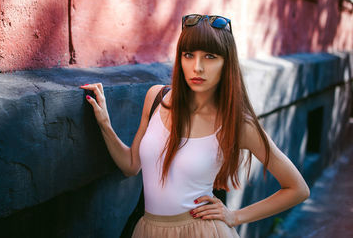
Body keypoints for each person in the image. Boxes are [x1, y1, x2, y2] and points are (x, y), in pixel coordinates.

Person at [79, 14, 310, 237]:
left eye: (210, 56)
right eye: (188, 54)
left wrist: (235, 217)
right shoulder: (157, 98)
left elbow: (297, 188)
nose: (197, 67)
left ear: (226, 63)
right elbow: (131, 165)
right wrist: (105, 124)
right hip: (148, 229)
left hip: (201, 231)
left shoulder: (236, 123)